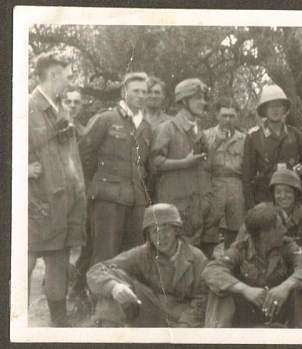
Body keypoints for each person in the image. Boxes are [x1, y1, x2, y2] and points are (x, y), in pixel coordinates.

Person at [28, 52, 86, 326]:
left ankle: (58, 324)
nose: (70, 80)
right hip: (35, 203)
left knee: (58, 263)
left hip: (62, 203)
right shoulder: (26, 108)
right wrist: (21, 170)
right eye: (68, 75)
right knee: (24, 262)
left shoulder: (61, 109)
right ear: (54, 75)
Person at [87, 203, 208, 327]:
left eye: (165, 229)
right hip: (152, 314)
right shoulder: (142, 253)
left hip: (183, 321)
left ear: (176, 230)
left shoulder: (196, 258)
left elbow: (202, 300)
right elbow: (96, 271)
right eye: (155, 231)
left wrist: (185, 326)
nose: (160, 236)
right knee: (115, 282)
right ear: (148, 235)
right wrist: (114, 287)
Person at [202, 203, 302, 328]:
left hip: (279, 313)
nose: (284, 231)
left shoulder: (287, 246)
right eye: (279, 227)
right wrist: (245, 289)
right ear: (264, 233)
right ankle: (218, 339)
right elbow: (211, 270)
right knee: (218, 291)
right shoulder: (240, 249)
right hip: (247, 315)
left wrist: (285, 286)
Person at [79, 72, 153, 265]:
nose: (141, 95)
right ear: (124, 92)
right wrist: (95, 185)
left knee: (133, 255)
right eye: (136, 91)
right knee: (105, 253)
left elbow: (145, 164)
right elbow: (85, 154)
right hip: (108, 197)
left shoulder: (146, 126)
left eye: (144, 92)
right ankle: (99, 295)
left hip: (136, 200)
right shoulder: (106, 119)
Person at [150, 78, 217, 257]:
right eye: (197, 98)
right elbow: (154, 163)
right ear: (184, 101)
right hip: (175, 208)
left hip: (197, 208)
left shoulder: (199, 132)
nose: (203, 102)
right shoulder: (167, 128)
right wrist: (183, 163)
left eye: (203, 98)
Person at [242, 84, 302, 210]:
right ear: (264, 110)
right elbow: (247, 176)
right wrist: (251, 207)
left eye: (279, 105)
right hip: (265, 200)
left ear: (284, 109)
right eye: (271, 106)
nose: (275, 110)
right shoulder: (254, 137)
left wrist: (301, 169)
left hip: (291, 200)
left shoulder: (295, 134)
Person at [235, 168, 302, 251]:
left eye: (287, 191)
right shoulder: (261, 211)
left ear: (295, 193)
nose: (283, 196)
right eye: (278, 192)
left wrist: (294, 252)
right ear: (273, 194)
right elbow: (241, 241)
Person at [204, 97, 246, 249]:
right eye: (224, 115)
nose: (228, 119)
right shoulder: (206, 136)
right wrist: (215, 144)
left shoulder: (244, 139)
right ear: (217, 115)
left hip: (236, 187)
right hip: (214, 186)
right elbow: (202, 165)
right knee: (210, 229)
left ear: (237, 117)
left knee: (236, 232)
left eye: (232, 116)